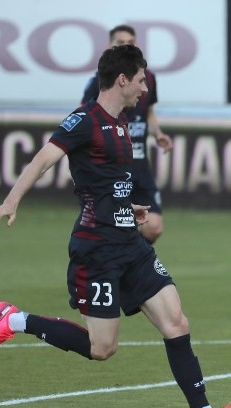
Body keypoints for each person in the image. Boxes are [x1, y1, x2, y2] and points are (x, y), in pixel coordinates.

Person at [0, 44, 231, 408]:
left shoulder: (123, 122)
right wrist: (11, 200)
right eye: (142, 80)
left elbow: (107, 185)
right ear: (123, 79)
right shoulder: (84, 120)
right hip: (97, 250)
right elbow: (43, 159)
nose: (146, 88)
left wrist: (131, 208)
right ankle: (14, 319)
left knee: (176, 322)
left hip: (131, 243)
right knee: (102, 348)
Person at [81, 24, 172, 244]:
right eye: (120, 43)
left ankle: (131, 261)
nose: (126, 46)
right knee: (117, 229)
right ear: (110, 46)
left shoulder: (147, 78)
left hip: (140, 165)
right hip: (115, 168)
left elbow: (149, 111)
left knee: (154, 227)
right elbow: (83, 116)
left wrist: (157, 133)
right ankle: (129, 265)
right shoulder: (100, 82)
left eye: (130, 42)